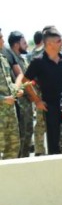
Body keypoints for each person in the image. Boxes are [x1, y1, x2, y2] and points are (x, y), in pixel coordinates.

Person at [18, 26, 62, 154]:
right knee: (53, 143)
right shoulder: (38, 62)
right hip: (50, 107)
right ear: (49, 44)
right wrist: (37, 100)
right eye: (59, 41)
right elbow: (25, 80)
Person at [0, 29, 21, 159]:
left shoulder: (3, 58)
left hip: (10, 114)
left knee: (13, 148)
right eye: (0, 37)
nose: (3, 40)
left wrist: (15, 89)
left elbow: (8, 81)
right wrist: (2, 99)